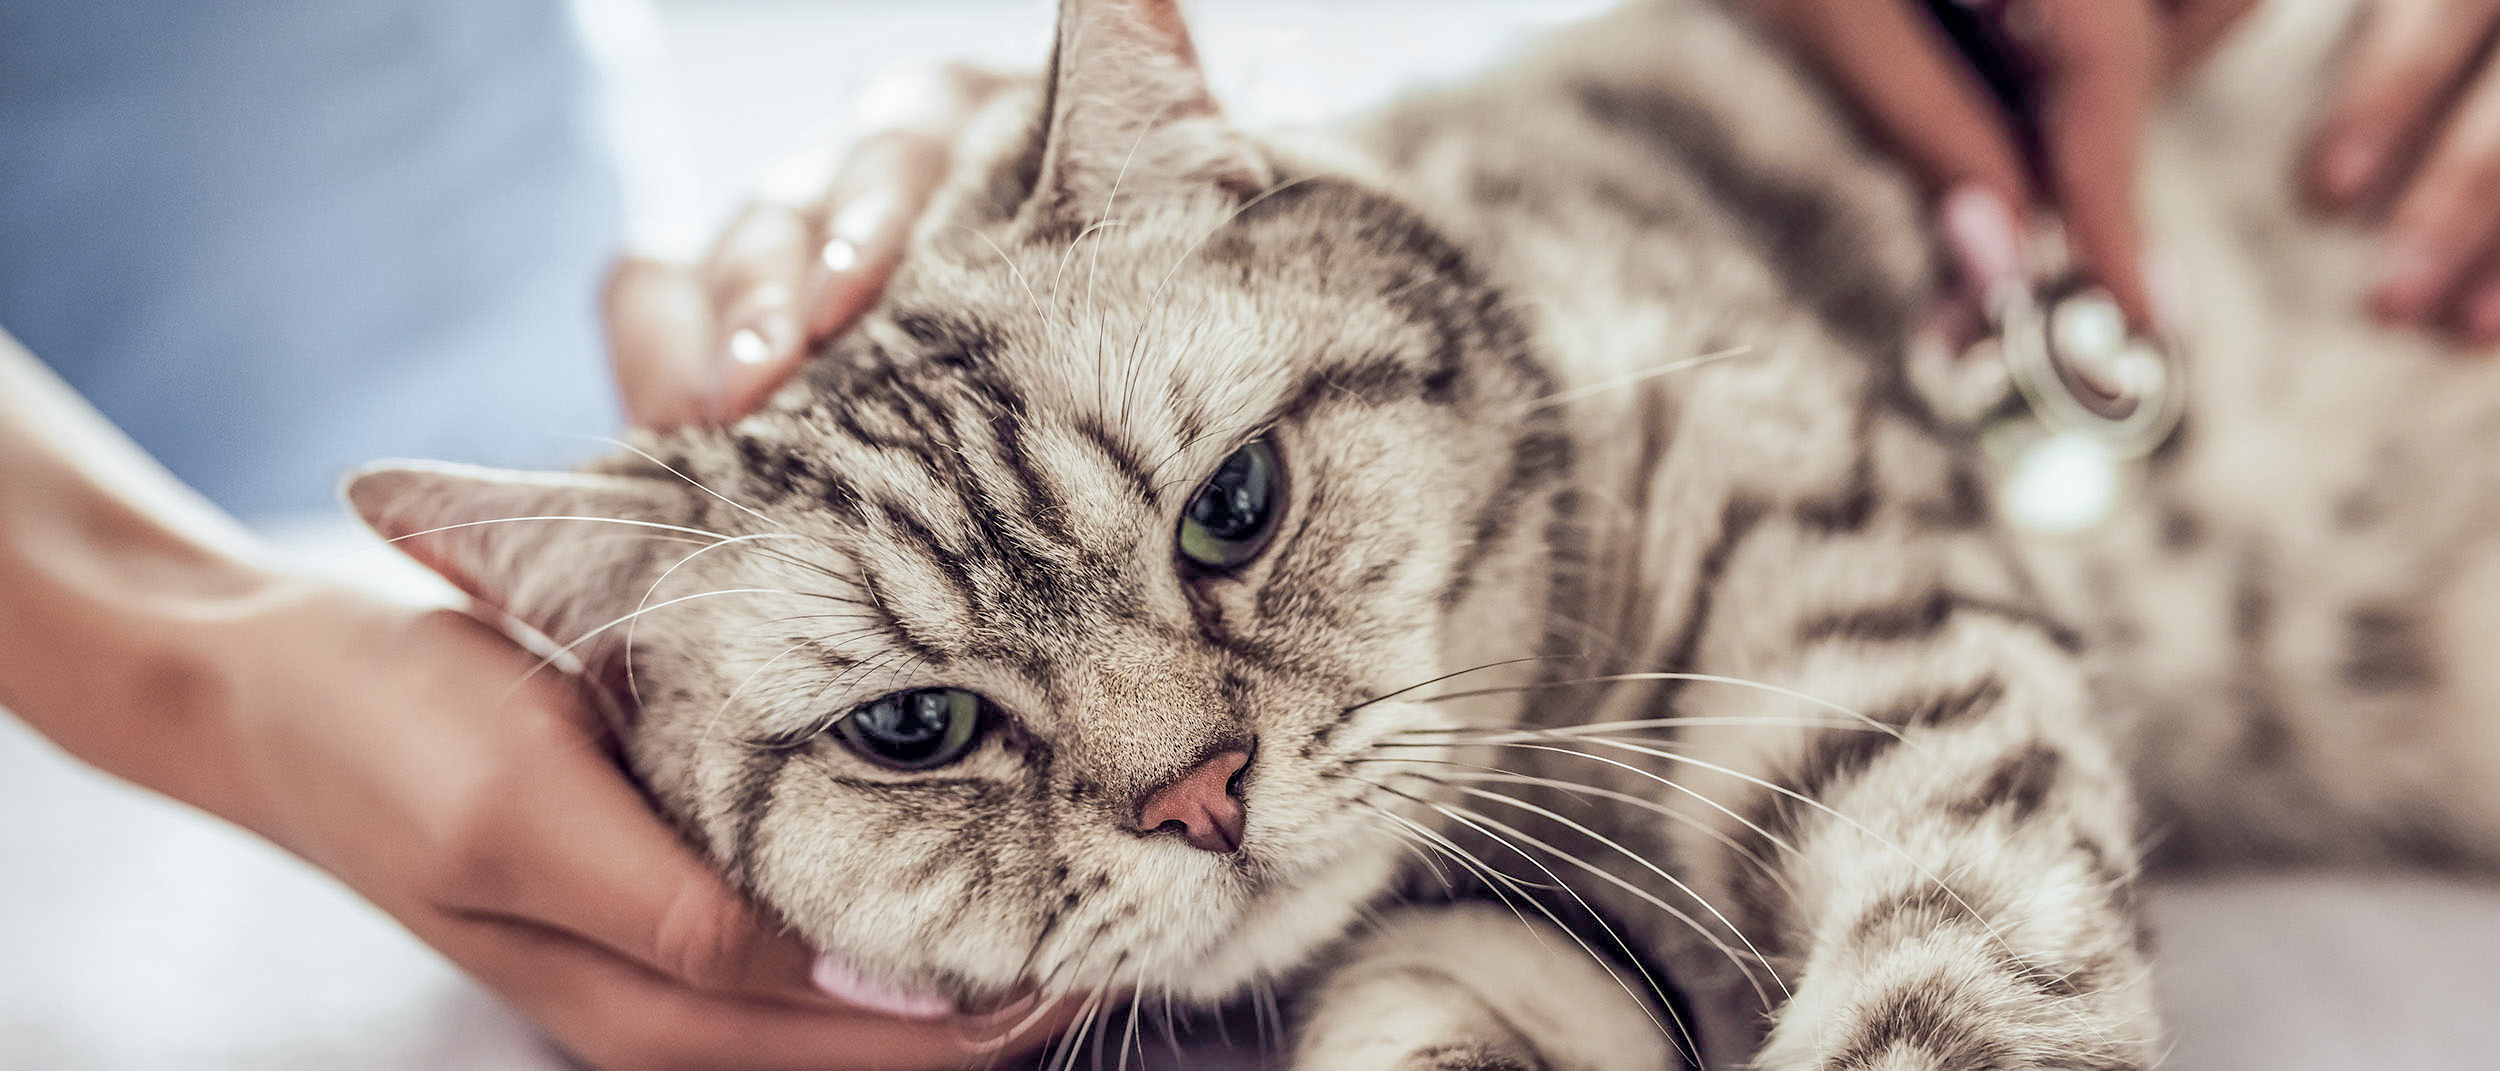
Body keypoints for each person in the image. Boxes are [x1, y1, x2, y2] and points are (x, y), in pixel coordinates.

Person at [5, 2, 2499, 1069]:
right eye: (918, 725)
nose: (1180, 774)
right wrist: (183, 653)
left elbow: (1938, 770)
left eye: (1228, 514)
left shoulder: (1571, 353)